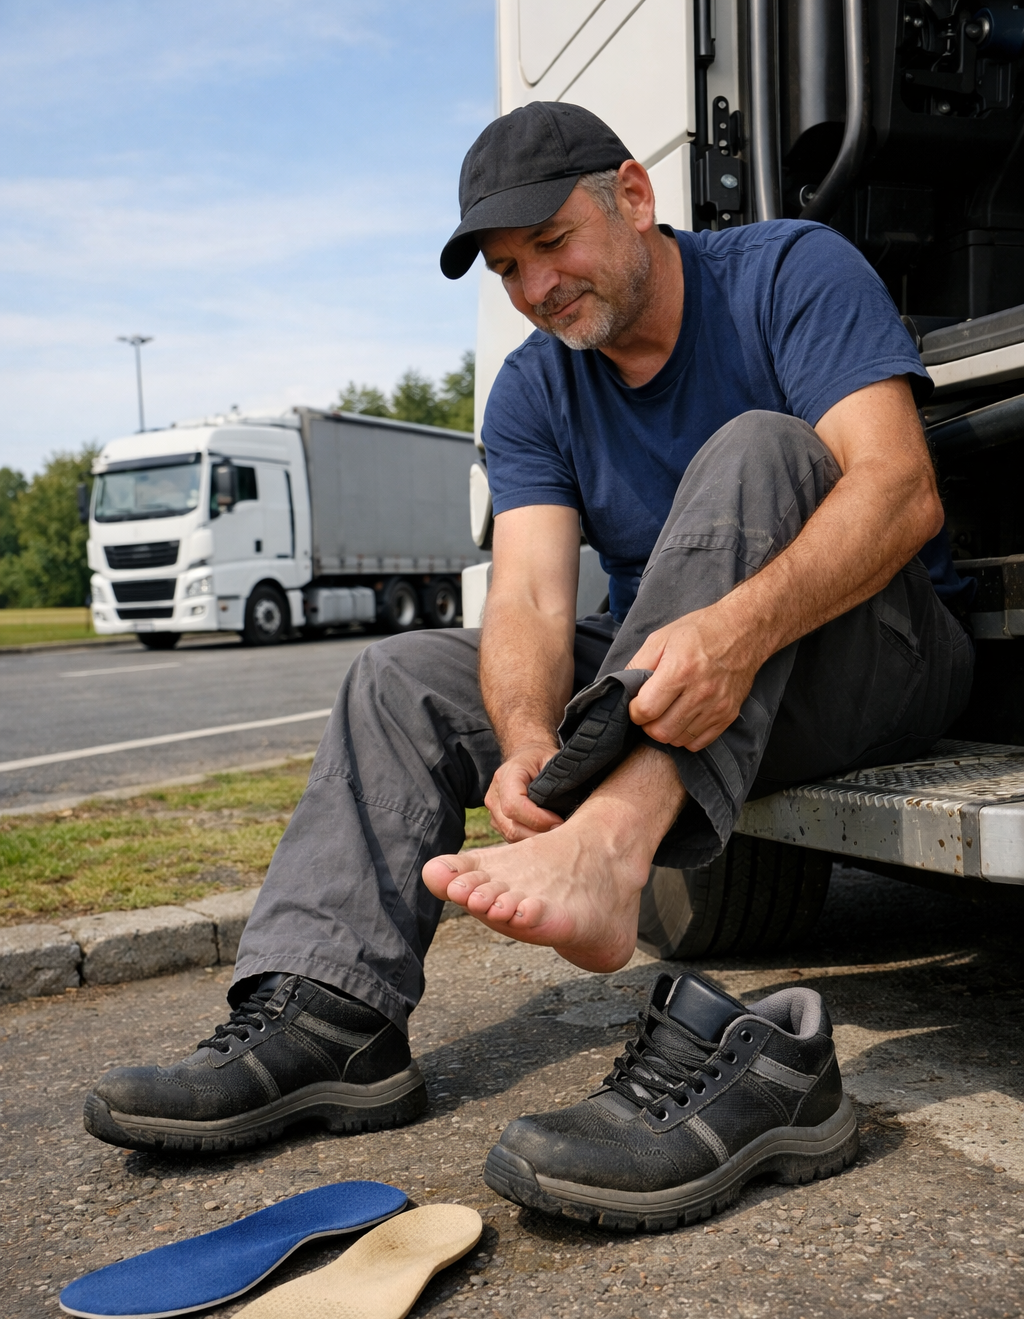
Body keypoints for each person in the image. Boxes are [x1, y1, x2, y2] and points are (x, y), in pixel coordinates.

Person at [83, 103, 972, 1225]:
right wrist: (528, 740)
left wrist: (735, 632)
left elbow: (898, 488)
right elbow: (535, 594)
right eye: (507, 269)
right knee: (400, 674)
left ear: (634, 199)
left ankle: (610, 856)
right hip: (687, 673)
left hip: (870, 658)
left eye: (552, 243)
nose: (536, 288)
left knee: (759, 445)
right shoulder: (532, 386)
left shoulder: (790, 269)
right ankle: (328, 1022)